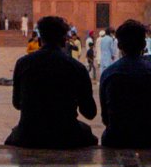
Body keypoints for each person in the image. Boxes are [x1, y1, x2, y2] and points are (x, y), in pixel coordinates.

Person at [5, 13, 98, 148]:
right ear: (64, 39)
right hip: (66, 133)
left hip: (29, 134)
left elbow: (17, 104)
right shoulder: (77, 67)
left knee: (15, 134)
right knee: (87, 134)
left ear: (40, 39)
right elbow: (89, 113)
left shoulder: (23, 64)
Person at [99, 18, 151, 148]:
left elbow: (105, 117)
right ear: (144, 45)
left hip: (116, 138)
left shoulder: (109, 74)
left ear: (119, 45)